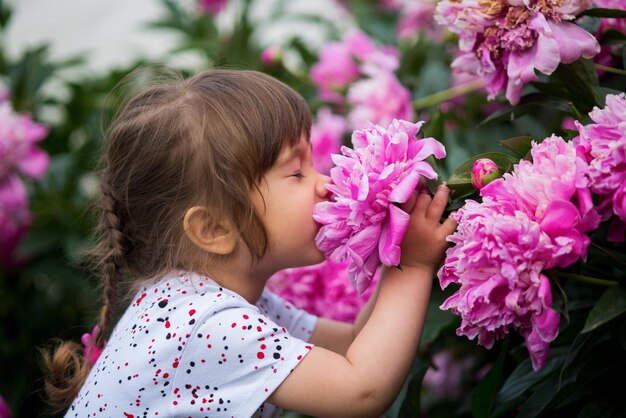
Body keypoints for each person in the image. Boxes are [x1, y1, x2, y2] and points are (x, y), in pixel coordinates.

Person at [43, 68, 456, 418]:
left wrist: (394, 244)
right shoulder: (205, 327)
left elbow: (351, 345)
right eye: (297, 172)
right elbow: (362, 389)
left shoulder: (217, 301)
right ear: (214, 229)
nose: (325, 183)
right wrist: (414, 268)